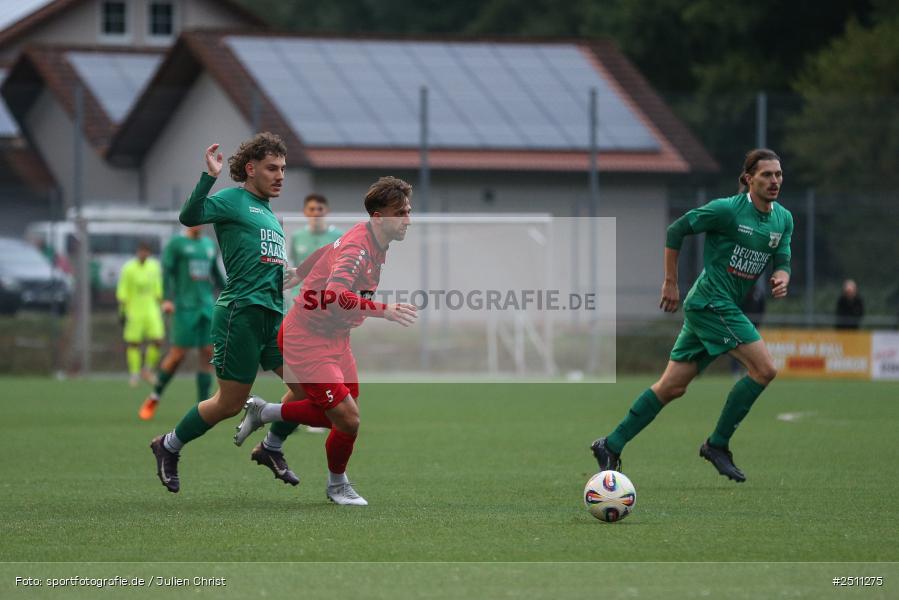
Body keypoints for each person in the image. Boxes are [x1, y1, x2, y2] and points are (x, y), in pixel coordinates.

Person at [591, 148, 793, 483]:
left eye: (779, 175)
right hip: (711, 302)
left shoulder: (782, 218)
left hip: (718, 306)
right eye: (767, 175)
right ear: (748, 179)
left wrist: (782, 276)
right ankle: (717, 445)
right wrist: (670, 282)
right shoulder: (726, 210)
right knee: (765, 369)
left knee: (672, 387)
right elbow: (676, 229)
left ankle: (610, 444)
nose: (775, 181)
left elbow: (782, 257)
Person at [232, 176, 417, 506]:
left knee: (346, 417)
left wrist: (301, 272)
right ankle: (335, 485)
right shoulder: (360, 250)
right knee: (346, 419)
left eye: (408, 211)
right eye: (401, 213)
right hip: (308, 339)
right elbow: (334, 296)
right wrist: (383, 310)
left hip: (335, 338)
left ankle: (270, 434)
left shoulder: (368, 235)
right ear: (379, 217)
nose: (407, 219)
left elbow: (327, 249)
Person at [138, 225, 225, 420]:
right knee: (178, 355)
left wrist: (233, 291)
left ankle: (202, 408)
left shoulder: (209, 245)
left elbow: (216, 275)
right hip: (184, 307)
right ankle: (155, 395)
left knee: (207, 353)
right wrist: (167, 298)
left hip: (206, 307)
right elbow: (167, 272)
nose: (199, 222)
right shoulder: (176, 244)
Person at [287, 193, 343, 432]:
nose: (316, 212)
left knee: (324, 359)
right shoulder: (298, 237)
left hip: (326, 308)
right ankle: (298, 411)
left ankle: (322, 411)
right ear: (305, 212)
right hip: (300, 306)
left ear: (326, 211)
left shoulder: (338, 238)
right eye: (311, 208)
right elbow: (296, 270)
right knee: (297, 363)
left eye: (320, 208)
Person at [117, 240, 164, 388]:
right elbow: (122, 289)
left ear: (149, 253)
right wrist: (123, 310)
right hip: (134, 309)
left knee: (158, 340)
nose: (143, 254)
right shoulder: (129, 269)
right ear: (137, 252)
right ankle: (134, 374)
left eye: (146, 251)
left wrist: (161, 303)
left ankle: (148, 370)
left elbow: (158, 288)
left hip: (151, 309)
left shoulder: (154, 267)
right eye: (141, 251)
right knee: (134, 343)